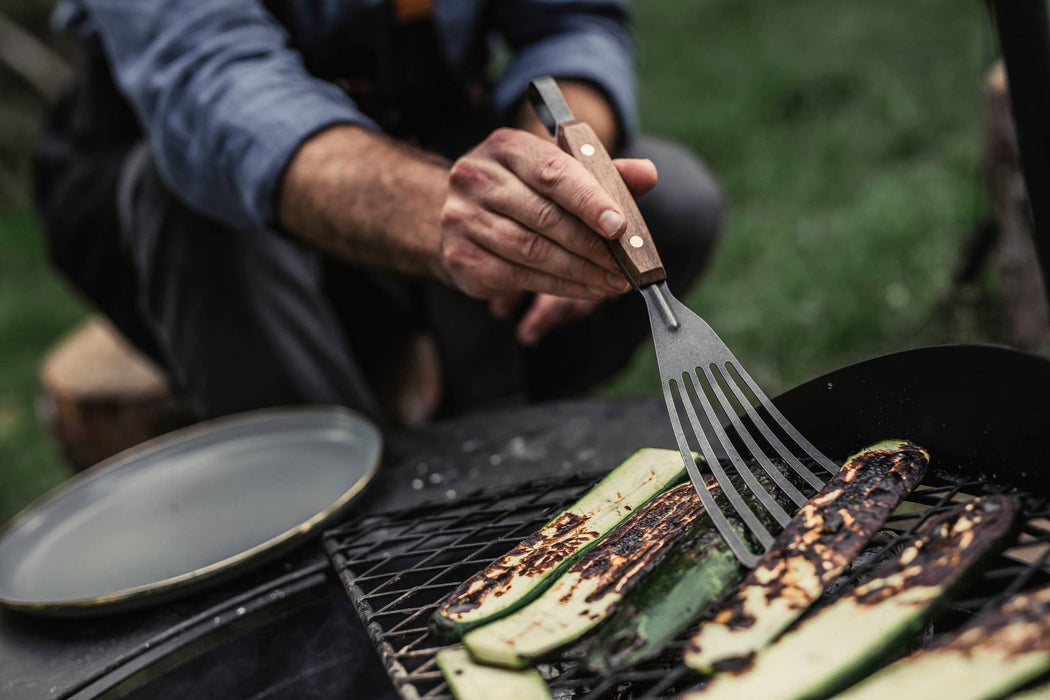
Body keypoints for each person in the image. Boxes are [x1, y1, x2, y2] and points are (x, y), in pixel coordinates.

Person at [34, 0, 724, 427]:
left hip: (415, 122)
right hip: (195, 196)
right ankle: (331, 527)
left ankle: (478, 444)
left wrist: (556, 178)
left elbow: (569, 22)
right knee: (190, 205)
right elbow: (220, 97)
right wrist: (446, 212)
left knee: (679, 203)